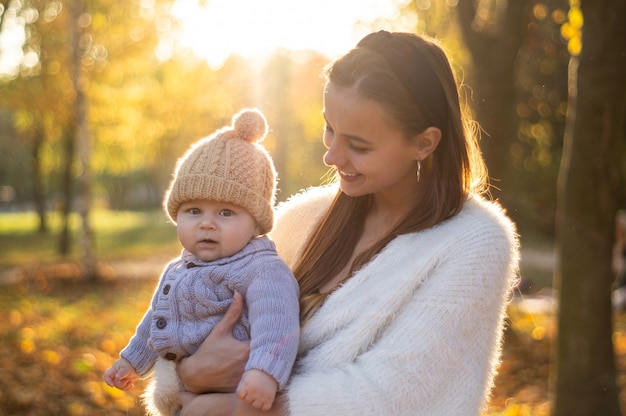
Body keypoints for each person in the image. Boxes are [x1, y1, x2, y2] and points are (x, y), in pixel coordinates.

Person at [175, 30, 520, 416]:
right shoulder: (301, 219)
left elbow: (399, 391)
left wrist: (236, 408)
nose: (332, 157)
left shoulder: (474, 241)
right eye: (329, 129)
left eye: (358, 145)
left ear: (424, 143)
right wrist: (187, 373)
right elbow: (188, 310)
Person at [104, 109, 300, 415]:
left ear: (256, 223)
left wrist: (264, 373)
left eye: (226, 213)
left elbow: (277, 323)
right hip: (185, 395)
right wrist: (131, 361)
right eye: (194, 211)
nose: (207, 224)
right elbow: (156, 322)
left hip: (236, 391)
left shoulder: (261, 269)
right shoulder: (179, 269)